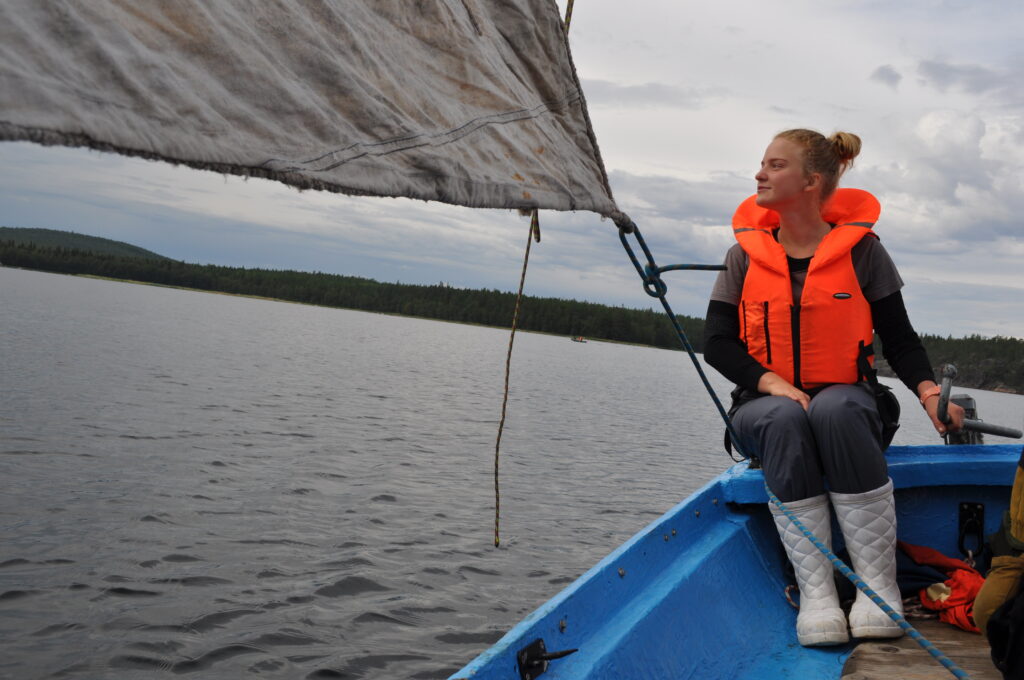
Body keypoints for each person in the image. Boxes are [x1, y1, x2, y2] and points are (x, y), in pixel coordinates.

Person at [703, 128, 964, 646]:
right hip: (763, 405)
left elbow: (900, 340)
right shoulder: (743, 256)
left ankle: (878, 589)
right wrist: (770, 382)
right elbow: (716, 343)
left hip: (848, 404)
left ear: (812, 182)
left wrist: (930, 394)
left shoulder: (864, 253)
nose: (759, 174)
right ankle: (817, 595)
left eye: (775, 165)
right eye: (763, 163)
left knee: (835, 409)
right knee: (783, 416)